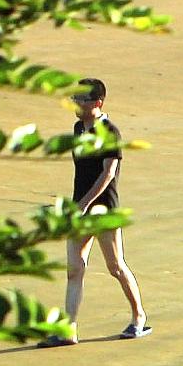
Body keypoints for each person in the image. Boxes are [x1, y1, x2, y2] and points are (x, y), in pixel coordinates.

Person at [59, 81, 147, 341]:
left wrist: (85, 203)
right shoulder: (78, 128)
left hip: (103, 210)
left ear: (98, 103)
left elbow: (108, 173)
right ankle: (69, 330)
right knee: (75, 269)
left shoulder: (110, 132)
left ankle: (139, 317)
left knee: (115, 266)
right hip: (79, 208)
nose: (77, 103)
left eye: (83, 99)